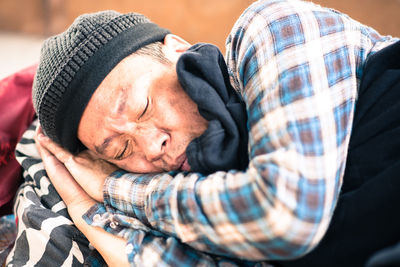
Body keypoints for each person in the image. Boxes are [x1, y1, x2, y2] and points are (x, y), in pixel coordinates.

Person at [6, 0, 400, 266]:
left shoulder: (272, 27)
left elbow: (285, 216)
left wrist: (110, 188)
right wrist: (80, 206)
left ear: (176, 49)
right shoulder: (206, 211)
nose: (152, 145)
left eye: (144, 106)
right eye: (121, 149)